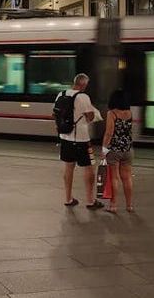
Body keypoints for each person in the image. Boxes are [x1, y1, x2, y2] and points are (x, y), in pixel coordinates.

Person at [57, 73, 104, 209]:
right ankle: (90, 201)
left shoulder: (61, 94)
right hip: (81, 139)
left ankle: (68, 198)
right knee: (89, 168)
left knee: (68, 167)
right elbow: (90, 117)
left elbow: (55, 114)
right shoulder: (83, 97)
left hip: (65, 137)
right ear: (83, 84)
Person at [101, 89, 134, 213]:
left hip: (114, 150)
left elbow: (109, 133)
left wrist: (104, 149)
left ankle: (113, 205)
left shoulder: (112, 113)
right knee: (127, 178)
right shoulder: (129, 113)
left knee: (114, 178)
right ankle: (129, 205)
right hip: (128, 150)